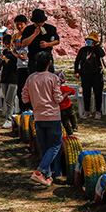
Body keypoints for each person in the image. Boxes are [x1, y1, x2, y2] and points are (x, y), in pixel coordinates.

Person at [23, 52, 64, 186]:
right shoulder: (53, 78)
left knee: (43, 147)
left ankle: (47, 176)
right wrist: (65, 94)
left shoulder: (30, 78)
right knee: (55, 145)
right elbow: (57, 98)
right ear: (49, 62)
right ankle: (39, 172)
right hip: (52, 116)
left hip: (38, 117)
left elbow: (25, 98)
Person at [74, 32, 106, 119]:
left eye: (91, 41)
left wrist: (97, 46)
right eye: (88, 40)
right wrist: (76, 71)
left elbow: (102, 55)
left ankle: (98, 111)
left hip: (96, 75)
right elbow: (77, 61)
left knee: (98, 93)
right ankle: (87, 110)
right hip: (85, 74)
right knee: (86, 93)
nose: (88, 42)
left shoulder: (97, 50)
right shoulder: (83, 50)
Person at [0, 34, 18, 129]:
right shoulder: (4, 52)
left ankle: (9, 119)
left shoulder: (16, 52)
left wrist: (4, 59)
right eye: (5, 43)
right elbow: (2, 65)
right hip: (5, 78)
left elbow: (12, 63)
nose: (6, 45)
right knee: (7, 99)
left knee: (10, 99)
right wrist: (1, 76)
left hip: (14, 78)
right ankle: (11, 117)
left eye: (8, 43)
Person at [11, 15, 31, 112]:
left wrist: (28, 57)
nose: (19, 26)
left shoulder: (30, 34)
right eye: (17, 24)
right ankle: (22, 108)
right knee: (20, 88)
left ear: (25, 24)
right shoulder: (15, 37)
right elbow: (13, 50)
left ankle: (30, 107)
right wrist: (17, 56)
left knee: (30, 88)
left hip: (29, 65)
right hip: (20, 66)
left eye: (21, 24)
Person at [55, 71, 77, 135]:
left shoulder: (55, 89)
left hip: (61, 108)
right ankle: (75, 126)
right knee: (72, 116)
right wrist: (71, 91)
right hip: (68, 105)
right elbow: (73, 91)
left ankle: (69, 132)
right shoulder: (65, 88)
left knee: (65, 121)